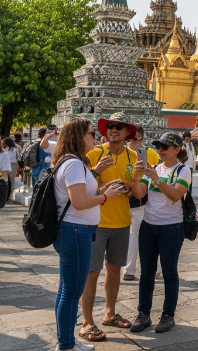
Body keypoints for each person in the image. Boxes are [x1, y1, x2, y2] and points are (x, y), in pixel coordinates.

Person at [51, 118, 125, 351]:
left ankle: (67, 342)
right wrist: (105, 197)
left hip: (74, 230)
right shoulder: (73, 164)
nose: (96, 138)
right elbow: (79, 202)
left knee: (66, 290)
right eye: (92, 134)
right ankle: (66, 345)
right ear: (79, 136)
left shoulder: (71, 162)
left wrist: (101, 190)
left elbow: (80, 196)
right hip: (75, 232)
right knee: (72, 292)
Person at [79, 113, 138, 342]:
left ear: (127, 133)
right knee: (91, 272)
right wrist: (98, 173)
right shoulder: (94, 154)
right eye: (110, 126)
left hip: (122, 220)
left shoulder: (133, 156)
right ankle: (86, 321)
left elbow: (135, 190)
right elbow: (82, 190)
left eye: (119, 127)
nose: (114, 130)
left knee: (115, 269)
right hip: (97, 221)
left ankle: (109, 313)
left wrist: (129, 185)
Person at [128, 132, 190, 334]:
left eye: (165, 147)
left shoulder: (183, 170)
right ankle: (143, 313)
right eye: (158, 147)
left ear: (177, 150)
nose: (160, 150)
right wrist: (137, 176)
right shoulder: (153, 168)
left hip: (171, 227)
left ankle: (168, 315)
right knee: (146, 273)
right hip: (148, 225)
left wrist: (157, 179)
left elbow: (175, 195)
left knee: (169, 272)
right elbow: (139, 194)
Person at [124, 126, 161, 282]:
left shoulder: (150, 153)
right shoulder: (121, 153)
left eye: (136, 139)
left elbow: (156, 175)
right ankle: (129, 268)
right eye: (130, 138)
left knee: (136, 234)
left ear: (142, 138)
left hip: (140, 199)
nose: (132, 142)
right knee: (129, 235)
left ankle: (130, 270)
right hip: (121, 199)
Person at [3, 137, 20, 201]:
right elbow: (18, 158)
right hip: (13, 164)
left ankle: (4, 196)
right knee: (12, 181)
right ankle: (9, 197)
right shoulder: (15, 149)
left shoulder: (4, 150)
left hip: (5, 165)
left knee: (5, 179)